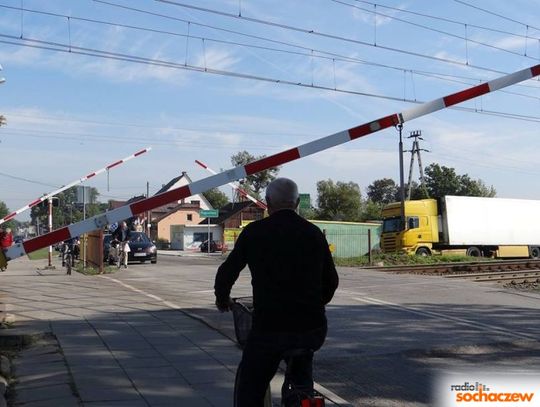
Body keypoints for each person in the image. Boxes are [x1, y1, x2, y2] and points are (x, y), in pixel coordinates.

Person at [214, 178, 339, 407]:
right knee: (302, 381)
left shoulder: (254, 233)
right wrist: (314, 303)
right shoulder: (313, 234)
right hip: (310, 328)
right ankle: (303, 396)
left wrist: (223, 299)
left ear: (268, 203)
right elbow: (331, 281)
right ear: (297, 202)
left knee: (250, 386)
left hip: (269, 329)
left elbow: (226, 273)